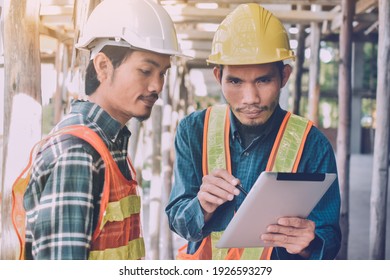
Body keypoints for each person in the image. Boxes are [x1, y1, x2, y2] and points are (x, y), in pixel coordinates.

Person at [165, 3, 341, 260]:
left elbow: (330, 237)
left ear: (284, 76)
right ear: (218, 76)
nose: (250, 98)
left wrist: (309, 243)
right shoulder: (194, 131)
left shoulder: (313, 145)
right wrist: (201, 206)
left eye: (263, 80)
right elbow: (180, 224)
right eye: (235, 81)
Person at [22, 0, 184, 260]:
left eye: (163, 73)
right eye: (146, 70)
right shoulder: (77, 153)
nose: (157, 86)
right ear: (103, 66)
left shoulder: (109, 144)